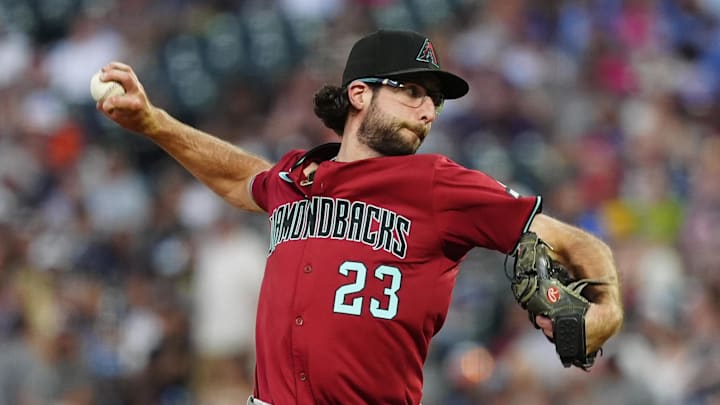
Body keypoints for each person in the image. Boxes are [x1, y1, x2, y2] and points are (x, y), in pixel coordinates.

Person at [96, 29, 623, 405]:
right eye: (412, 91)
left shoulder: (438, 184)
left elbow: (575, 243)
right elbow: (241, 178)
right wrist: (153, 122)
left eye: (435, 101)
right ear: (358, 93)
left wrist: (608, 312)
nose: (428, 111)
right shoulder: (295, 179)